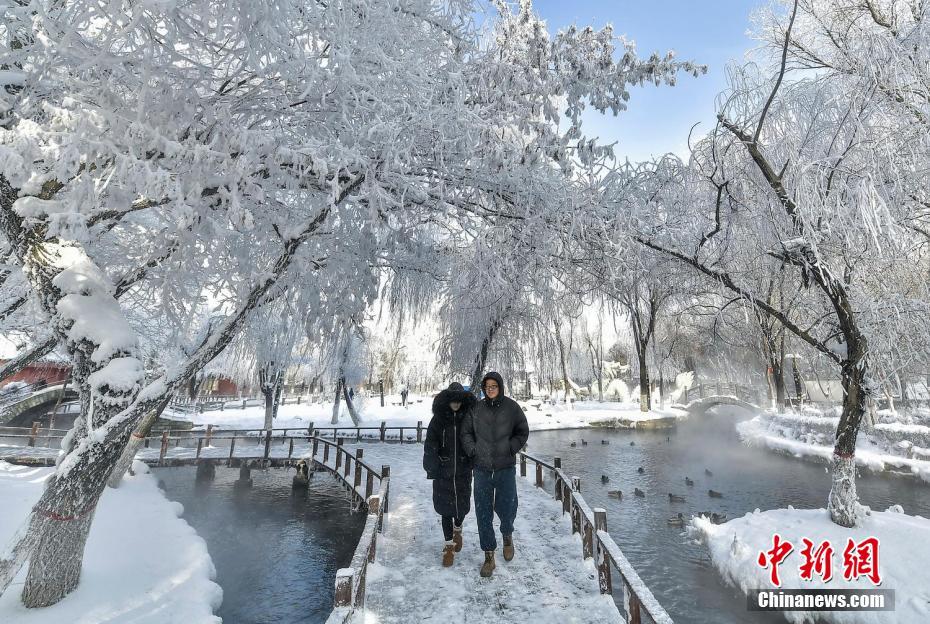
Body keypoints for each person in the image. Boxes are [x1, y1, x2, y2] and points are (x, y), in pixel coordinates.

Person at [460, 372, 529, 578]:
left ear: (500, 387)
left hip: (505, 468)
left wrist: (510, 447)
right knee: (483, 513)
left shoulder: (511, 407)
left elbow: (523, 431)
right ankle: (489, 555)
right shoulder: (476, 409)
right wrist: (473, 450)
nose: (490, 390)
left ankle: (507, 534)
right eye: (487, 387)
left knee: (507, 507)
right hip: (481, 469)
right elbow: (466, 433)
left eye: (494, 386)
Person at [423, 382, 475, 567]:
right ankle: (448, 546)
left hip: (463, 472)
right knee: (445, 510)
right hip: (443, 472)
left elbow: (475, 441)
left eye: (458, 401)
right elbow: (430, 444)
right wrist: (432, 466)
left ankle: (458, 528)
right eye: (452, 400)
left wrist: (473, 460)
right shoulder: (438, 420)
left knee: (461, 508)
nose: (455, 404)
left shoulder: (469, 418)